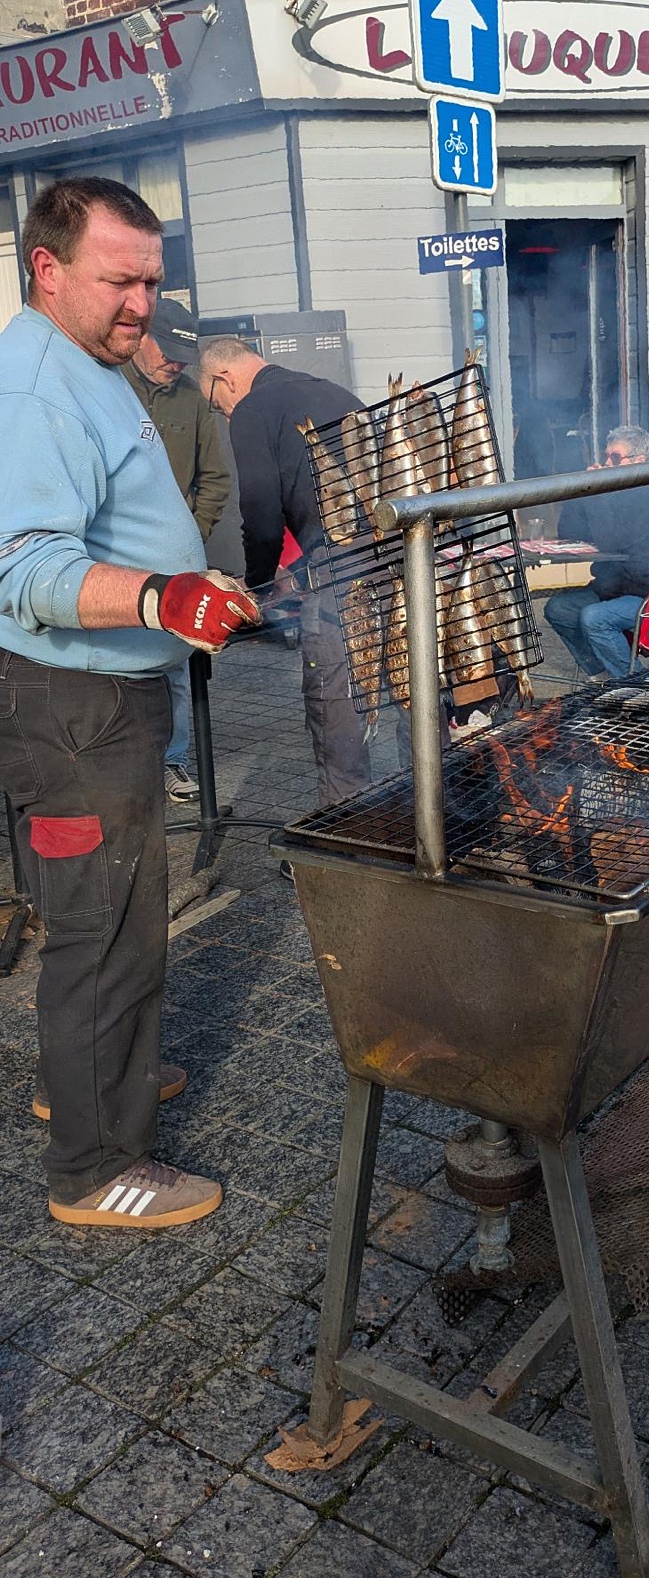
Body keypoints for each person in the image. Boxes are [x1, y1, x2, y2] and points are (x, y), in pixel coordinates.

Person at [0, 176, 260, 1229]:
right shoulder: (35, 387)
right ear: (47, 269)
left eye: (153, 280)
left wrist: (184, 581)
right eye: (121, 280)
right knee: (100, 928)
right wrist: (164, 593)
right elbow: (20, 563)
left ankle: (94, 1078)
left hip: (103, 693)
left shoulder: (92, 360)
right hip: (73, 706)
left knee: (114, 918)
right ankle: (94, 1165)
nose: (144, 304)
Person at [197, 335, 371, 804]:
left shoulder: (253, 409)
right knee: (408, 680)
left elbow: (260, 510)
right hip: (394, 555)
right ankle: (428, 811)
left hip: (340, 575)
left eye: (218, 405)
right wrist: (293, 575)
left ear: (224, 378)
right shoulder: (331, 390)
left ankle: (348, 820)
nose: (225, 414)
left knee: (334, 695)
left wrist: (256, 583)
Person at [123, 297, 232, 803]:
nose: (175, 363)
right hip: (114, 557)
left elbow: (214, 479)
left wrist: (192, 533)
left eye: (184, 357)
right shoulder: (109, 384)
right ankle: (129, 763)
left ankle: (174, 760)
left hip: (173, 560)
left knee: (176, 666)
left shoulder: (190, 398)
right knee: (118, 663)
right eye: (167, 351)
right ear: (142, 336)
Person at [543, 426, 649, 679]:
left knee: (595, 618)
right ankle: (604, 676)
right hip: (618, 586)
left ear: (639, 461)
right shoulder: (618, 493)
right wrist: (582, 491)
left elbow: (612, 541)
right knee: (559, 608)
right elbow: (570, 532)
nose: (606, 463)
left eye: (614, 458)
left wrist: (597, 494)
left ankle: (637, 685)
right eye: (606, 456)